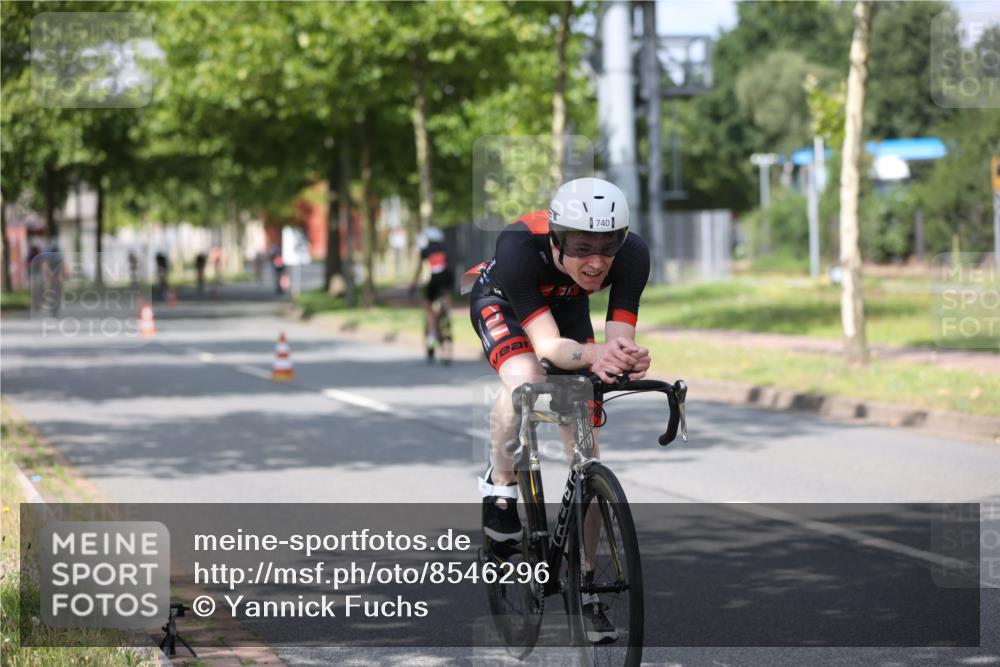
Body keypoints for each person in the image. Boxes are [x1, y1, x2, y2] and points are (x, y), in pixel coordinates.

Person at [468, 177, 651, 641]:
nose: (596, 261)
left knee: (586, 449)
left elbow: (617, 339)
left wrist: (625, 357)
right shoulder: (519, 247)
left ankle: (585, 583)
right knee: (526, 382)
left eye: (607, 247)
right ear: (556, 238)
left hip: (567, 310)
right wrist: (595, 357)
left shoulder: (632, 256)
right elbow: (548, 348)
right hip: (508, 303)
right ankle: (501, 484)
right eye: (581, 246)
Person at [409, 226, 454, 360]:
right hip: (447, 281)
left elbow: (419, 270)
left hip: (433, 282)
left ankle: (433, 333)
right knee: (445, 297)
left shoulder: (425, 251)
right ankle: (446, 312)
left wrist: (412, 286)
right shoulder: (446, 249)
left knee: (428, 307)